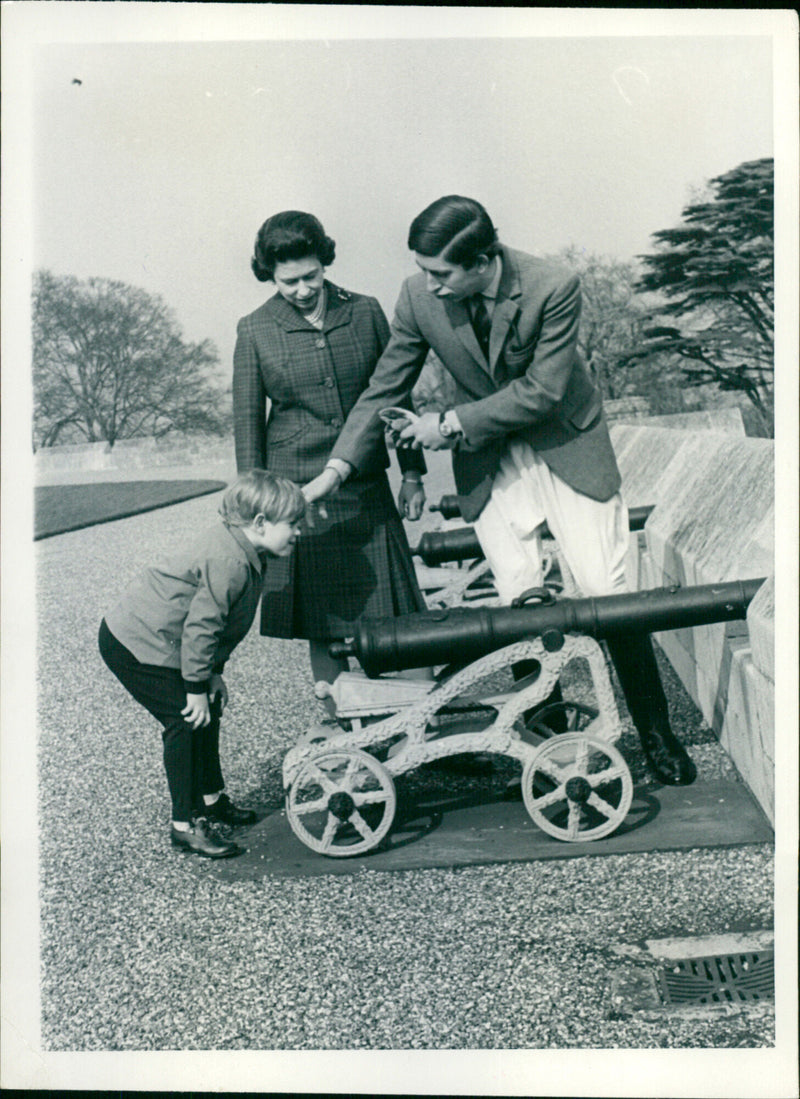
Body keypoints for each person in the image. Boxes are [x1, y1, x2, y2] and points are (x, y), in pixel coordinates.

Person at [304, 195, 696, 787]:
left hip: (565, 444)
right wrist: (335, 469)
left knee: (609, 594)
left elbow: (542, 391)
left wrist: (449, 424)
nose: (429, 285)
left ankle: (655, 733)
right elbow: (384, 387)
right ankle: (548, 746)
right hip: (491, 460)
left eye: (442, 274)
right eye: (424, 270)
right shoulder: (417, 297)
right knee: (520, 606)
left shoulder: (552, 284)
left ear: (484, 261)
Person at [232, 210, 427, 698]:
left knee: (399, 611)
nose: (301, 289)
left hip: (363, 484)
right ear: (270, 276)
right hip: (299, 493)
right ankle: (341, 723)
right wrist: (256, 506)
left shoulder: (364, 310)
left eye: (311, 277)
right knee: (327, 622)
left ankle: (420, 718)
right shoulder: (254, 329)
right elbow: (248, 423)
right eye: (288, 282)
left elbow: (396, 398)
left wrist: (413, 474)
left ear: (325, 262)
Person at [99, 470, 306, 858]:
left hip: (165, 641)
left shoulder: (247, 551)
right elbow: (201, 629)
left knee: (208, 711)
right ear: (260, 524)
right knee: (183, 721)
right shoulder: (228, 559)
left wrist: (212, 677)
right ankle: (184, 825)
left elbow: (221, 627)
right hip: (135, 642)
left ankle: (211, 800)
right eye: (293, 524)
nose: (299, 532)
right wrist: (194, 687)